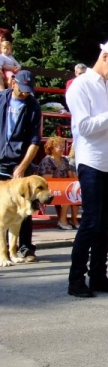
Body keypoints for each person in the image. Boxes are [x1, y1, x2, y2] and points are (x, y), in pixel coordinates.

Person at [66, 38, 108, 298]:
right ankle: (76, 280)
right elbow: (83, 127)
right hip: (92, 160)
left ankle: (98, 275)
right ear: (105, 56)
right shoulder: (80, 86)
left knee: (104, 222)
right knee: (92, 221)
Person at [0, 70, 41, 259]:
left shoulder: (33, 106)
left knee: (25, 205)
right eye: (22, 89)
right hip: (1, 157)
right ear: (13, 82)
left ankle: (25, 247)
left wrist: (22, 167)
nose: (25, 93)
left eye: (28, 90)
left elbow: (35, 140)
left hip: (20, 160)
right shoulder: (1, 99)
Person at [37, 136, 80, 230]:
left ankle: (74, 219)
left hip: (64, 186)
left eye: (62, 147)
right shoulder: (47, 161)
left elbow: (70, 175)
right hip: (51, 188)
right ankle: (62, 220)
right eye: (59, 147)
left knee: (75, 192)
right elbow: (47, 181)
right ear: (51, 148)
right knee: (68, 195)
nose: (62, 149)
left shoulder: (64, 160)